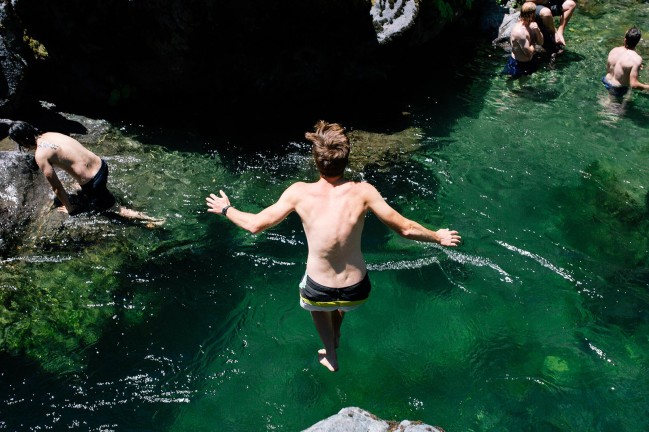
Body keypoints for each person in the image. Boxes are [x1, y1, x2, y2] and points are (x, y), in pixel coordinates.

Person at [206, 120, 461, 372]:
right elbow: (405, 228)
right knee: (340, 304)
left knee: (319, 306)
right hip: (356, 291)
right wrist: (438, 236)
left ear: (316, 161)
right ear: (346, 159)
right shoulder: (364, 192)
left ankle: (330, 353)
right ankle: (336, 333)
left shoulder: (299, 193)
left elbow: (255, 225)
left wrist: (226, 209)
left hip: (318, 291)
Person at [6, 120, 164, 225]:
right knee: (85, 188)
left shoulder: (40, 155)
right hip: (101, 165)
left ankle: (151, 221)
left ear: (22, 141)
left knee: (114, 209)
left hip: (94, 181)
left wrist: (69, 208)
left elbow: (57, 187)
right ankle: (95, 192)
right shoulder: (50, 134)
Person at [602, 27, 649, 97]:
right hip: (617, 89)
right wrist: (647, 87)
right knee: (614, 107)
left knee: (606, 101)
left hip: (605, 81)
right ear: (638, 42)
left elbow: (614, 68)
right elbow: (634, 85)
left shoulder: (614, 50)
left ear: (625, 40)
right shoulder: (636, 59)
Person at [503, 2, 544, 79]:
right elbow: (528, 53)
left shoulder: (532, 25)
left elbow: (541, 42)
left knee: (525, 81)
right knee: (511, 81)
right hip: (517, 64)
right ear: (532, 14)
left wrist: (537, 30)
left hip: (529, 62)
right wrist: (533, 43)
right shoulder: (520, 32)